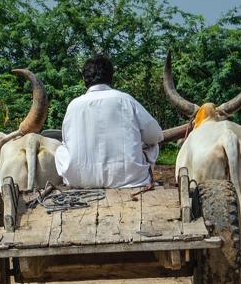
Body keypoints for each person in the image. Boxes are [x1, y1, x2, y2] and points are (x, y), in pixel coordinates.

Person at [54, 54, 163, 188]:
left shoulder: (73, 105)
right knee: (152, 145)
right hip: (130, 179)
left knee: (60, 149)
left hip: (79, 180)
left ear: (84, 79)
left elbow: (67, 140)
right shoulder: (126, 100)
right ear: (111, 77)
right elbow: (156, 135)